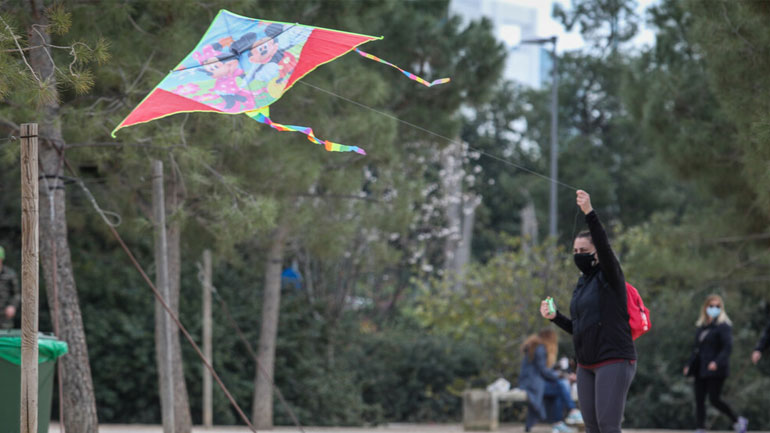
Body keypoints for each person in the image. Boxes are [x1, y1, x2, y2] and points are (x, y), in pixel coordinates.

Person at [539, 190, 636, 433]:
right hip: (586, 364)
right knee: (592, 427)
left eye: (584, 250)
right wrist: (556, 317)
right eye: (575, 251)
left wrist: (589, 213)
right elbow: (580, 328)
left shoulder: (610, 276)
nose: (578, 255)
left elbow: (604, 245)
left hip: (613, 359)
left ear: (596, 254)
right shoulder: (582, 285)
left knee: (607, 425)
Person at [683, 294, 748, 433]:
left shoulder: (724, 326)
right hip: (700, 368)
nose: (714, 309)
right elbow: (696, 349)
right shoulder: (702, 327)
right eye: (711, 306)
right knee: (699, 399)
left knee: (714, 399)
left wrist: (717, 362)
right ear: (705, 307)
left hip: (716, 369)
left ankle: (737, 420)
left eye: (717, 306)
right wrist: (689, 364)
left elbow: (727, 347)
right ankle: (700, 428)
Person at [518, 328, 584, 433]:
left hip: (531, 382)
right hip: (533, 384)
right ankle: (572, 411)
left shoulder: (535, 347)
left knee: (558, 390)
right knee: (561, 384)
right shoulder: (540, 348)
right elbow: (544, 371)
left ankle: (558, 423)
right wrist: (563, 376)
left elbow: (543, 370)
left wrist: (559, 372)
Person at [0, 246, 20, 330]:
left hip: (4, 316)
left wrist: (12, 306)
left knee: (4, 340)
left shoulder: (10, 274)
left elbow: (16, 294)